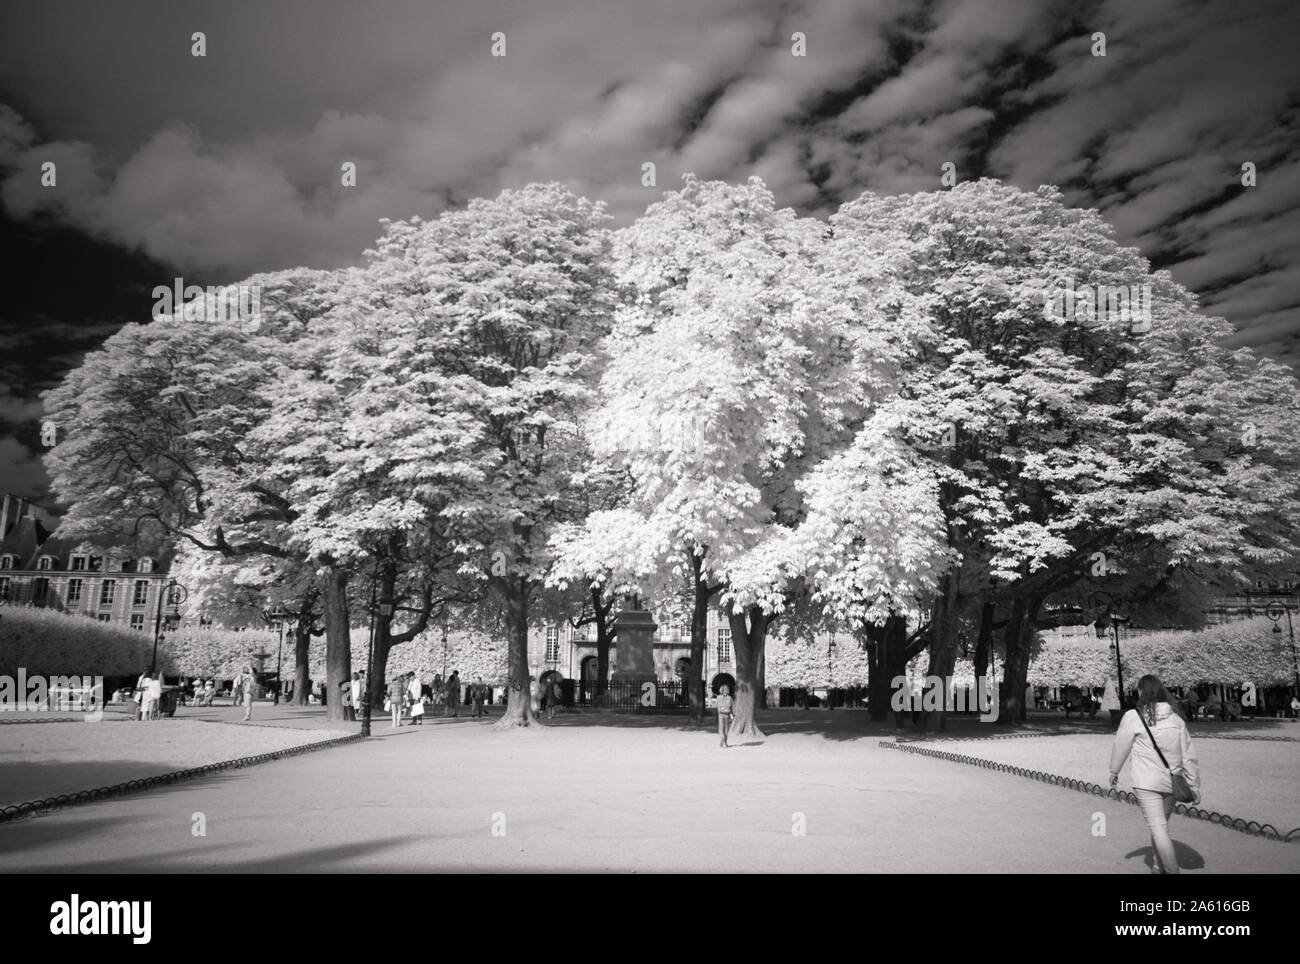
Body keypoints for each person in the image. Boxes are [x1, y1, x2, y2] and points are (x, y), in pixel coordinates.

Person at [1109, 674, 1200, 874]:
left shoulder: (1133, 717)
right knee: (1160, 827)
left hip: (1146, 781)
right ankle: (1159, 867)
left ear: (1141, 692)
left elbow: (1121, 745)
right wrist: (1194, 786)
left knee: (1158, 829)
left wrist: (1114, 771)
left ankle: (1172, 869)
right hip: (1172, 782)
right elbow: (1189, 756)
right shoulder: (1176, 719)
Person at [717, 684, 734, 748]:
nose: (726, 691)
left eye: (726, 690)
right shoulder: (729, 698)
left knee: (723, 729)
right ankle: (724, 741)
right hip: (725, 715)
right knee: (724, 729)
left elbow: (718, 706)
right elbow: (732, 707)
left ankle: (723, 739)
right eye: (725, 690)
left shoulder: (720, 697)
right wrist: (732, 714)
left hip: (724, 715)